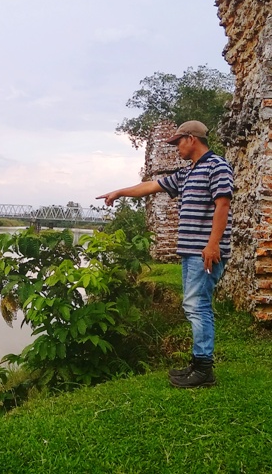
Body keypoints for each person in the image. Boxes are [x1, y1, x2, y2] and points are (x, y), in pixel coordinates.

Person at [96, 120, 233, 388]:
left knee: (198, 306)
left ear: (192, 139)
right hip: (191, 252)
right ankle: (198, 363)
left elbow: (223, 203)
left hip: (204, 252)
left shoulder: (217, 166)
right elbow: (150, 186)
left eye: (177, 142)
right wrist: (120, 192)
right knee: (194, 306)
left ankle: (204, 369)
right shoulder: (188, 172)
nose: (175, 148)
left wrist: (213, 244)